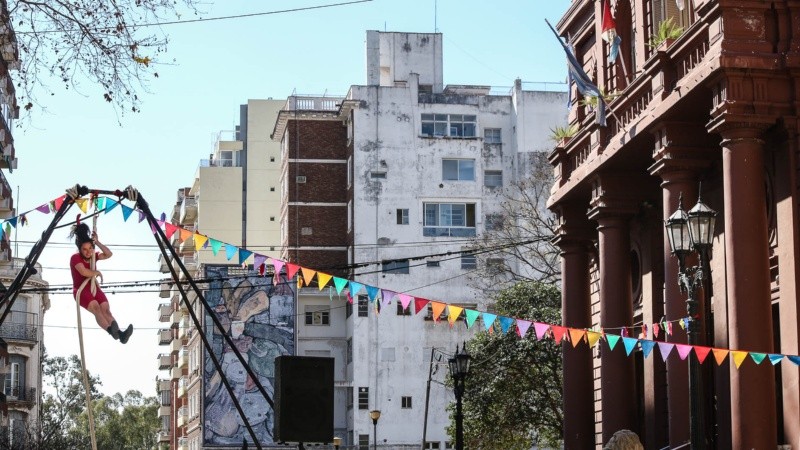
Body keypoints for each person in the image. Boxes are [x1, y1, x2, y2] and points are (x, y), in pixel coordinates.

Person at [70, 222, 133, 343]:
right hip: (81, 290)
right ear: (80, 249)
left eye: (90, 248)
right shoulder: (75, 258)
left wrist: (97, 242)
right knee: (96, 308)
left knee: (106, 309)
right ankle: (110, 331)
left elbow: (109, 254)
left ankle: (121, 335)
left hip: (94, 287)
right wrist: (97, 272)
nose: (88, 252)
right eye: (85, 249)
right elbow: (83, 272)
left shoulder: (94, 256)